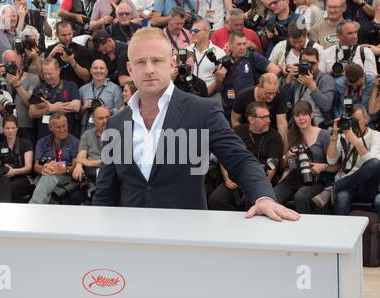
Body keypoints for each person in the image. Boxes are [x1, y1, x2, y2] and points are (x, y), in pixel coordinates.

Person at [92, 27, 301, 222]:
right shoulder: (115, 124)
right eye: (140, 62)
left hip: (186, 236)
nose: (148, 70)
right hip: (130, 239)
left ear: (172, 63)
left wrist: (263, 197)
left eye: (156, 60)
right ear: (130, 68)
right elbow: (106, 191)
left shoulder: (202, 111)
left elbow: (240, 160)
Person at [208, 101, 283, 211]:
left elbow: (272, 166)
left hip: (260, 178)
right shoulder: (238, 131)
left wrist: (259, 184)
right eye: (264, 117)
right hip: (236, 177)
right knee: (215, 199)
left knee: (251, 202)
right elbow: (224, 156)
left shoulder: (274, 136)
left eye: (268, 116)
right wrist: (227, 178)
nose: (269, 120)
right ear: (251, 119)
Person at [312, 106, 380, 215]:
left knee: (375, 164)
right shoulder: (344, 136)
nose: (353, 125)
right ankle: (339, 230)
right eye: (351, 121)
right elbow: (331, 160)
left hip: (366, 187)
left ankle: (334, 188)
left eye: (356, 121)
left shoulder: (376, 135)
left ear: (366, 120)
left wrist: (356, 141)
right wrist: (334, 135)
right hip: (348, 186)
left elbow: (373, 163)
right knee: (341, 198)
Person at [274, 101, 335, 214]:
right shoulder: (290, 135)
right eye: (297, 115)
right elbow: (282, 166)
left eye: (304, 114)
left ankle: (306, 229)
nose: (301, 118)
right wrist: (286, 158)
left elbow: (336, 166)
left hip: (316, 180)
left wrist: (323, 166)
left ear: (311, 115)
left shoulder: (324, 135)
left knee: (301, 196)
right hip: (293, 178)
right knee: (272, 197)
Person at [220, 30, 280, 117]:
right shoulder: (224, 61)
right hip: (229, 107)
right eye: (238, 44)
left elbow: (275, 70)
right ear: (230, 45)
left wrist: (263, 87)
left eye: (244, 44)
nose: (242, 47)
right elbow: (219, 88)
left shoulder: (253, 57)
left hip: (250, 107)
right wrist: (219, 78)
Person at [29, 113, 79, 204]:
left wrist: (62, 169)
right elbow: (36, 166)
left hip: (66, 176)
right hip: (47, 174)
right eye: (58, 127)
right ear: (50, 128)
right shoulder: (42, 142)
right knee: (47, 180)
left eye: (64, 126)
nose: (63, 130)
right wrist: (43, 169)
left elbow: (75, 166)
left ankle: (33, 207)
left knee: (46, 180)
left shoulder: (75, 142)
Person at [29, 58, 81, 140]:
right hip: (45, 137)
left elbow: (76, 106)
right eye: (45, 74)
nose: (47, 77)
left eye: (50, 74)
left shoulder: (70, 85)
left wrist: (48, 107)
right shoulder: (38, 89)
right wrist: (51, 108)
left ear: (58, 70)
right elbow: (32, 112)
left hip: (66, 136)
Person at [231, 73, 288, 147]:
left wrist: (279, 144)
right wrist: (242, 138)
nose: (271, 97)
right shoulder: (243, 96)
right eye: (267, 93)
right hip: (249, 133)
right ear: (259, 87)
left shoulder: (280, 94)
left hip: (271, 133)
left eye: (274, 93)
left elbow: (281, 123)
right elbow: (235, 119)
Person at [0, 50, 41, 145]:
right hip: (4, 128)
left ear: (20, 61)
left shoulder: (33, 78)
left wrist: (17, 84)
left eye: (14, 62)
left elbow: (30, 103)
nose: (11, 65)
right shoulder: (0, 79)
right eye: (7, 62)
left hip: (25, 127)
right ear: (3, 64)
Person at [284, 47, 336, 126]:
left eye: (312, 63)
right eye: (306, 62)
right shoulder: (296, 77)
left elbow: (326, 106)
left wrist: (311, 85)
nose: (309, 66)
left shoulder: (326, 79)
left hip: (318, 124)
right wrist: (289, 79)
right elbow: (285, 100)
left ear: (318, 62)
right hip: (297, 122)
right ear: (300, 62)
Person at [70, 106, 111, 204]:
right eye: (101, 118)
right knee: (74, 197)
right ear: (94, 121)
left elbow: (112, 161)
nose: (105, 121)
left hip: (109, 177)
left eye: (107, 117)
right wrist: (79, 166)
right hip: (91, 177)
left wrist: (89, 163)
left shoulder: (117, 134)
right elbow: (82, 154)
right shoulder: (87, 134)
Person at [0, 114, 34, 203]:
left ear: (17, 128)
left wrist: (14, 171)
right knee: (3, 183)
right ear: (3, 129)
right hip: (4, 179)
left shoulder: (26, 143)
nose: (10, 131)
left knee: (4, 187)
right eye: (7, 128)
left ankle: (3, 210)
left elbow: (28, 168)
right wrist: (2, 171)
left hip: (22, 178)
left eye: (13, 128)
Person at [186, 19, 226, 98]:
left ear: (206, 33)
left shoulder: (219, 53)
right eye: (191, 31)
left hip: (210, 96)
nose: (192, 33)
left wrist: (205, 94)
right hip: (188, 95)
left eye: (196, 31)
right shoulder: (186, 51)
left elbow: (219, 79)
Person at [45, 21, 92, 88]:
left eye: (69, 34)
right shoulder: (50, 50)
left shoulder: (81, 50)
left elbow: (86, 77)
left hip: (76, 88)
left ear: (73, 32)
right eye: (64, 35)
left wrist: (72, 61)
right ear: (57, 35)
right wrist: (51, 55)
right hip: (55, 89)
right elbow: (43, 76)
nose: (67, 38)